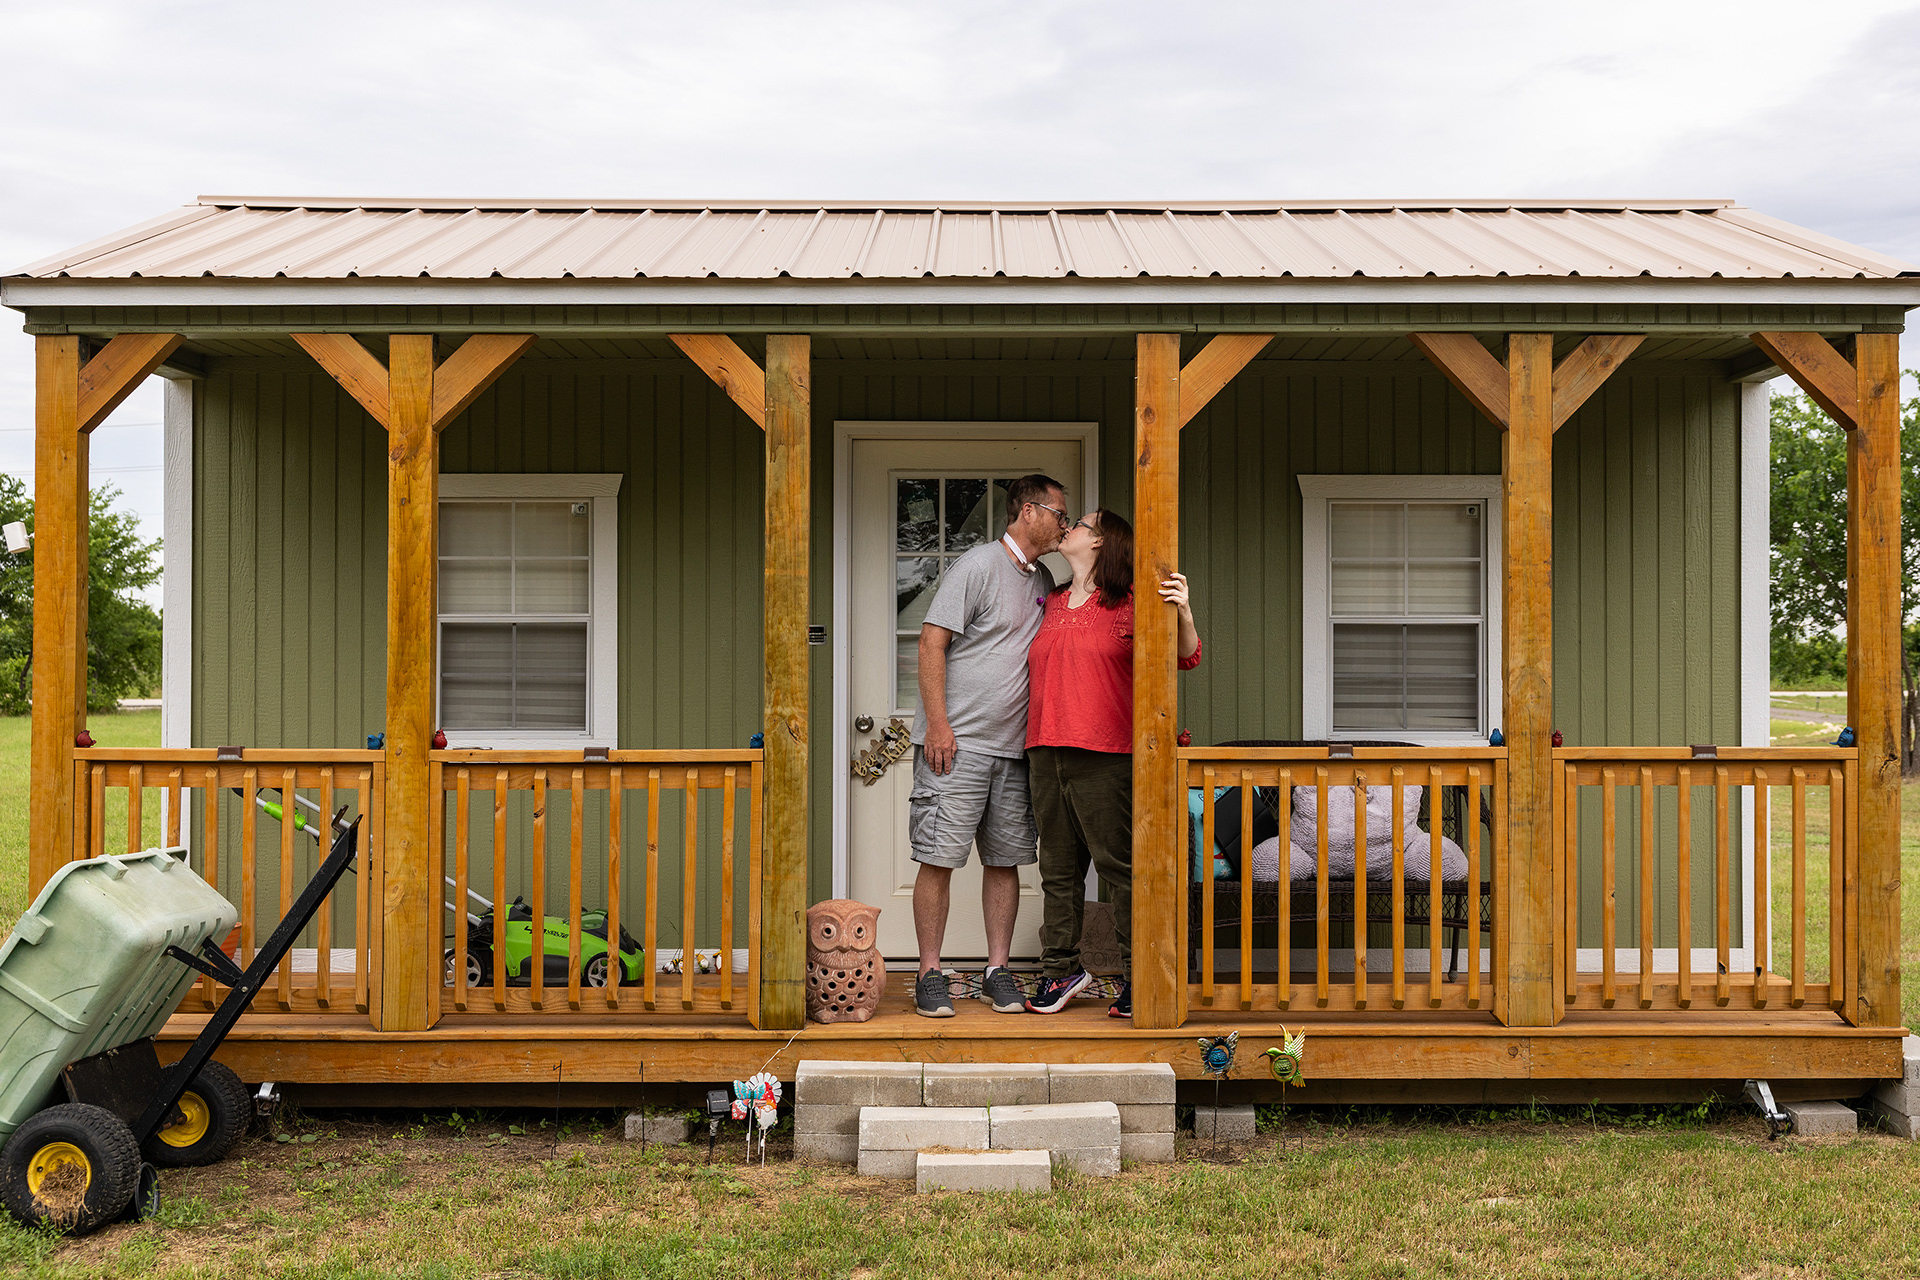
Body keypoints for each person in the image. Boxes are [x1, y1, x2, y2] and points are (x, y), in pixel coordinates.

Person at [1021, 508, 1200, 1018]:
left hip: (1107, 755)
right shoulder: (1052, 601)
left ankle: (1138, 977)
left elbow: (1185, 656)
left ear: (1100, 542)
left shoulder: (1131, 603)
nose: (1068, 527)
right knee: (1057, 870)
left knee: (1120, 870)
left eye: (1079, 523)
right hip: (1045, 751)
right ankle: (1061, 971)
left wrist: (1184, 612)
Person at [909, 473, 1071, 1017]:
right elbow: (930, 643)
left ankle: (997, 970)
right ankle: (930, 972)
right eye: (1059, 514)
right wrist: (938, 725)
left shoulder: (1042, 579)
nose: (1063, 524)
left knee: (1006, 862)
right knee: (939, 858)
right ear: (1029, 511)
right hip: (956, 745)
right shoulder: (977, 565)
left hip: (1015, 751)